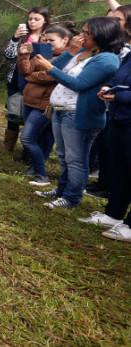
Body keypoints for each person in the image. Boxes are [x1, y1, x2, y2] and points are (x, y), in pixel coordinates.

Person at [33, 17, 122, 209]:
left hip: (78, 115)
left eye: (86, 33)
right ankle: (61, 190)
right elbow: (55, 68)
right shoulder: (84, 51)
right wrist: (71, 52)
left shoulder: (107, 59)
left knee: (76, 160)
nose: (81, 36)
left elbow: (79, 84)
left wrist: (49, 68)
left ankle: (71, 198)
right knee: (64, 156)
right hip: (60, 111)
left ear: (101, 34)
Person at [81, 43, 131, 241]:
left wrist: (118, 95)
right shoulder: (129, 57)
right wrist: (109, 88)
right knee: (120, 170)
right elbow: (117, 79)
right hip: (119, 120)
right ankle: (113, 214)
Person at [17, 25, 72, 186]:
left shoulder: (68, 57)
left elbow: (49, 76)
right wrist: (23, 54)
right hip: (29, 100)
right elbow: (25, 70)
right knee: (43, 137)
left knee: (27, 138)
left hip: (45, 105)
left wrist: (31, 76)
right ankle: (35, 167)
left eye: (51, 40)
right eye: (45, 40)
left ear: (65, 40)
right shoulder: (43, 53)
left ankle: (41, 174)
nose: (47, 43)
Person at [1, 8, 51, 152]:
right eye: (30, 19)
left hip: (36, 80)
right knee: (13, 109)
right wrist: (15, 38)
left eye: (36, 19)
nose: (32, 22)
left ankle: (28, 148)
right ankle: (8, 144)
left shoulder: (47, 36)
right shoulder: (23, 36)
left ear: (45, 20)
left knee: (31, 113)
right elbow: (9, 56)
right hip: (16, 78)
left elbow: (48, 59)